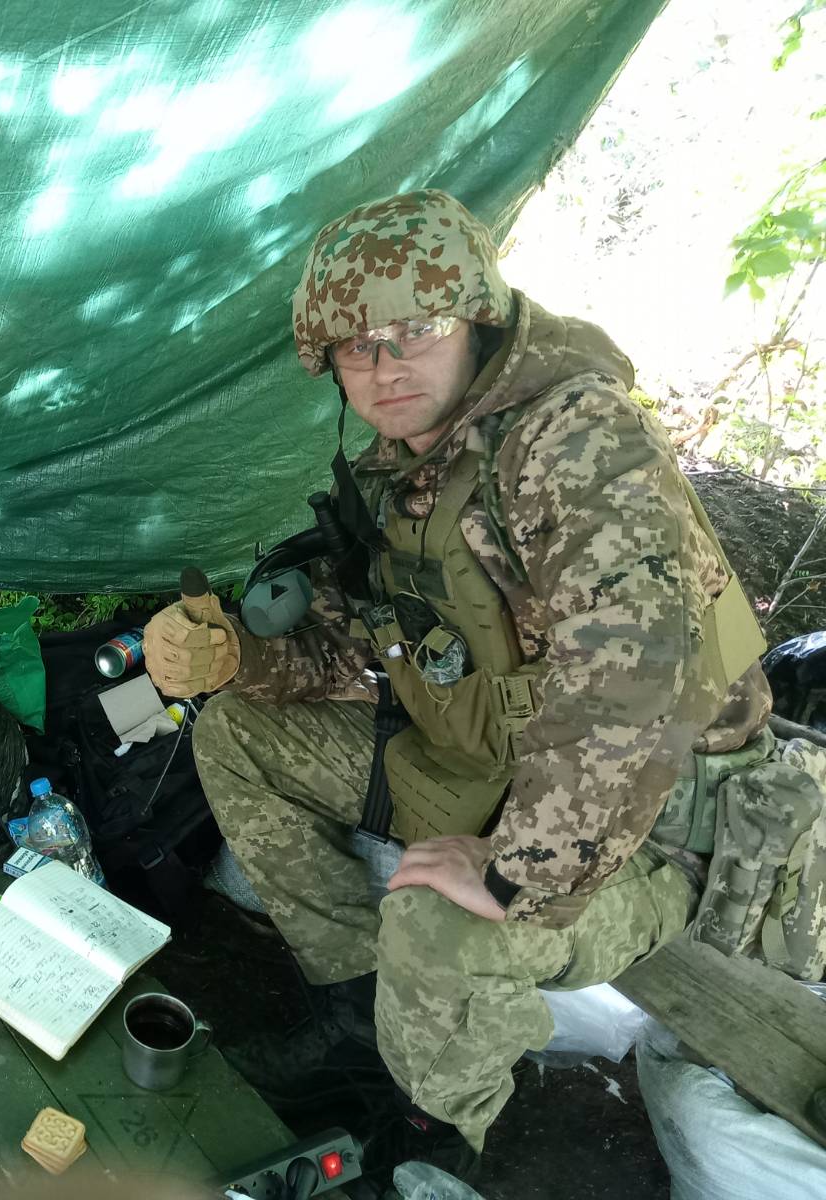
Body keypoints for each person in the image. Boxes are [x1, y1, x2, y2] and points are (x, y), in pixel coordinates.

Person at [141, 191, 773, 1165]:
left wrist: (518, 867)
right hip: (480, 757)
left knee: (438, 927)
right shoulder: (408, 474)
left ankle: (451, 1131)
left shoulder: (576, 442)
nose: (386, 367)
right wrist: (239, 657)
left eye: (415, 330)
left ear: (477, 322)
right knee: (233, 730)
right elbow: (379, 654)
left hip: (656, 823)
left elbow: (636, 684)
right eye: (357, 347)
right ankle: (360, 1017)